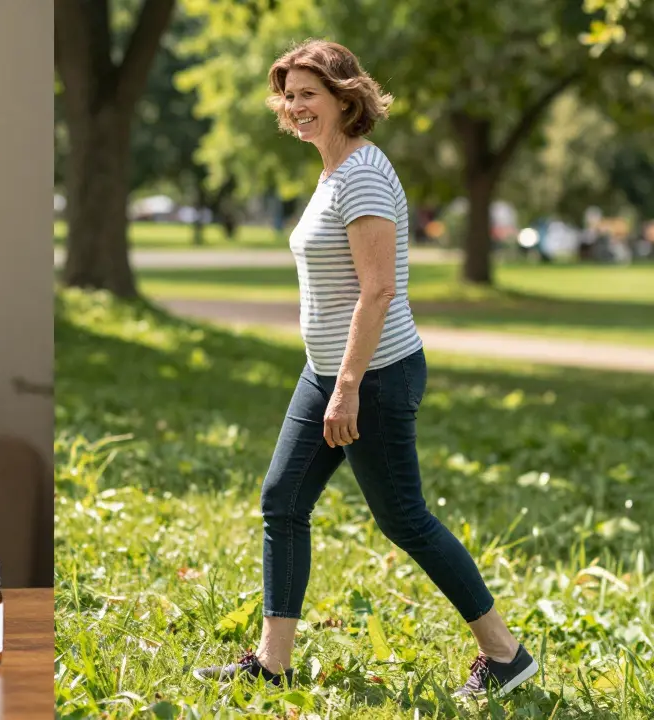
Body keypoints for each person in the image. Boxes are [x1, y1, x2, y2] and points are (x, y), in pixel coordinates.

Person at [191, 40, 537, 700]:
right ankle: (272, 662)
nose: (294, 107)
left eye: (308, 95)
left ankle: (506, 655)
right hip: (327, 372)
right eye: (288, 95)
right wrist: (332, 377)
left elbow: (377, 291)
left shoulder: (364, 174)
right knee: (282, 501)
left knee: (404, 518)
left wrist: (347, 386)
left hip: (372, 375)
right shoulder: (333, 172)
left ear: (346, 98)